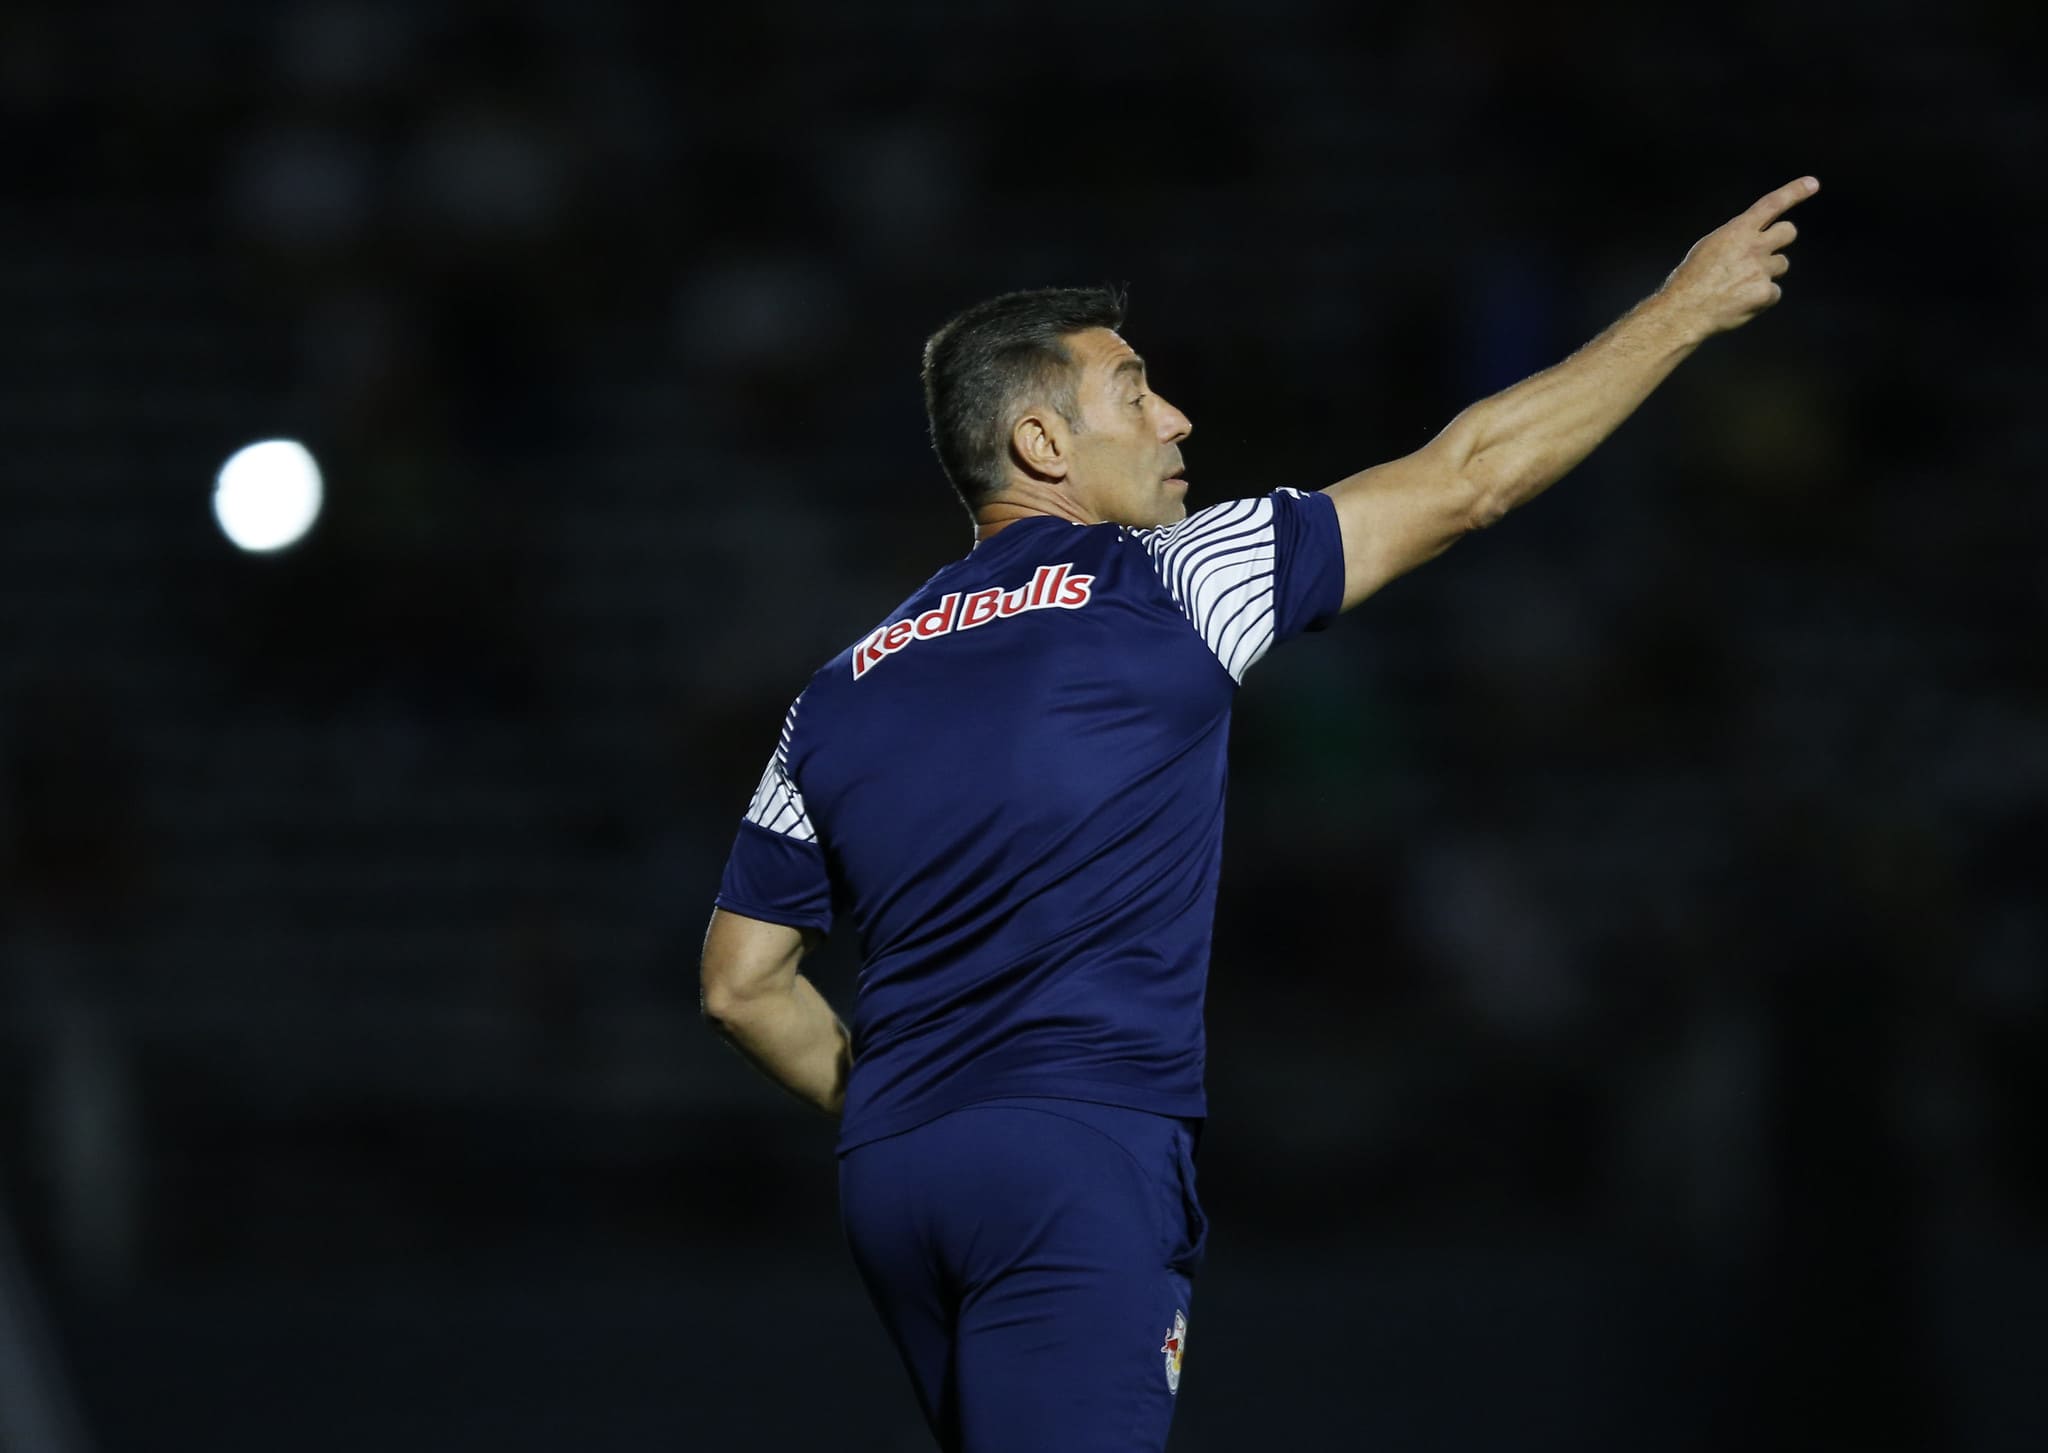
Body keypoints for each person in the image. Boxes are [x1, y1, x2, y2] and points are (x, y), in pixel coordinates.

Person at [699, 175, 1819, 1452]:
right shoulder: (1165, 580)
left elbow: (741, 984)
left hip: (896, 1174)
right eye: (1133, 393)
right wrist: (1680, 310)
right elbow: (1467, 478)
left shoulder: (839, 684)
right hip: (1074, 1151)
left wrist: (917, 1111)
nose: (1176, 416)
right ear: (1041, 445)